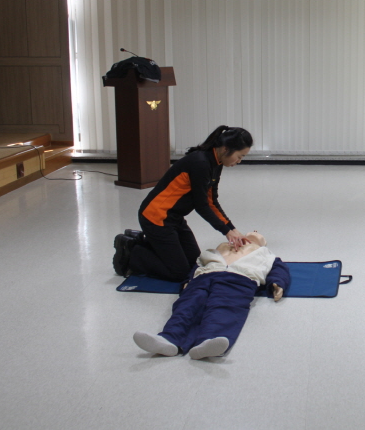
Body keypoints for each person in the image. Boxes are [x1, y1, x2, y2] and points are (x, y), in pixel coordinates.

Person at [113, 126, 253, 282]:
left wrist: (232, 228)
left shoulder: (216, 162)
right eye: (239, 156)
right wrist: (226, 231)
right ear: (226, 149)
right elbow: (201, 206)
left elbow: (211, 201)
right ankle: (132, 251)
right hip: (156, 218)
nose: (239, 161)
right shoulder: (201, 163)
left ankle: (151, 243)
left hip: (174, 218)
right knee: (179, 273)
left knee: (194, 263)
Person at [133, 232, 291, 360]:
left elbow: (280, 270)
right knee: (187, 305)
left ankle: (209, 341)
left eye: (257, 234)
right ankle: (169, 339)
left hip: (239, 280)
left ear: (263, 243)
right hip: (205, 276)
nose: (253, 232)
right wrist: (188, 281)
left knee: (224, 308)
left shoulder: (267, 254)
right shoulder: (219, 248)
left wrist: (277, 284)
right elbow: (198, 264)